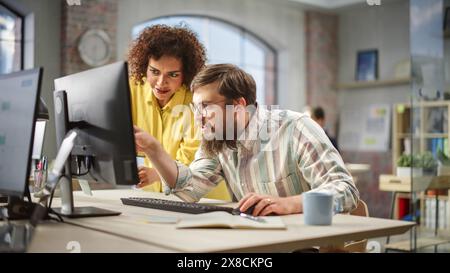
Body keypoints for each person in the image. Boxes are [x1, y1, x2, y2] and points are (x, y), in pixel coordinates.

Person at [134, 64, 359, 216]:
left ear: (239, 106)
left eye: (206, 107)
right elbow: (188, 190)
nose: (198, 118)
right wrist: (154, 149)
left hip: (311, 244)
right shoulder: (217, 138)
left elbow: (346, 192)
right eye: (195, 108)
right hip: (260, 244)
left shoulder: (296, 128)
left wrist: (289, 203)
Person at [127, 25, 231, 201]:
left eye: (173, 75)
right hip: (155, 196)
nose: (161, 82)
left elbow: (194, 156)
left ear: (186, 74)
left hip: (204, 199)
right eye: (154, 72)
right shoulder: (133, 88)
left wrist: (157, 173)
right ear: (145, 67)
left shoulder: (198, 99)